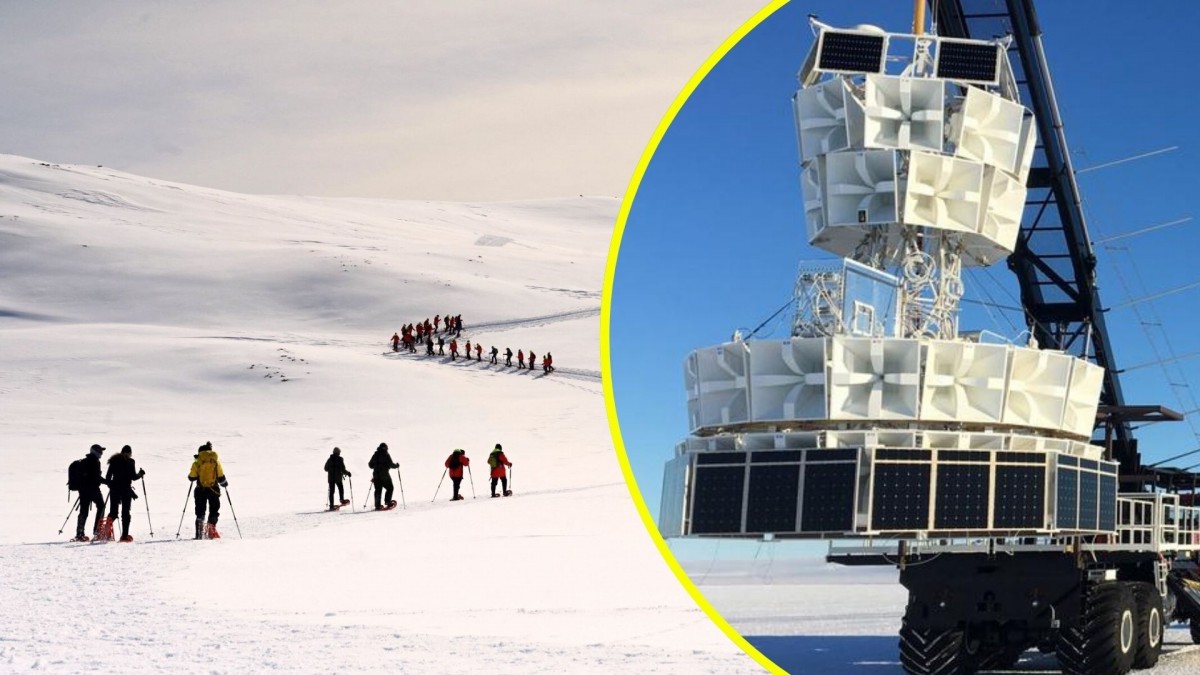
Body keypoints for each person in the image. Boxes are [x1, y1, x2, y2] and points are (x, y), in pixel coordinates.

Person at [105, 445, 146, 542]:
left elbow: (108, 477)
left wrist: (111, 485)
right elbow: (133, 477)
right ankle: (124, 536)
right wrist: (140, 474)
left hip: (114, 489)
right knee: (125, 513)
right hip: (125, 490)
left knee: (113, 512)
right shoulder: (130, 461)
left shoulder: (113, 461)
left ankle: (106, 530)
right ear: (128, 453)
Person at [188, 441, 228, 539]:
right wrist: (224, 484)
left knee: (200, 511)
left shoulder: (197, 462)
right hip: (213, 490)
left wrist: (193, 476)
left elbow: (192, 477)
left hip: (200, 490)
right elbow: (221, 476)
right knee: (214, 509)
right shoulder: (215, 462)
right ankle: (211, 531)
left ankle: (199, 534)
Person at [73, 444, 108, 541]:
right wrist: (108, 482)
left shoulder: (85, 461)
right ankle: (97, 531)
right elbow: (96, 477)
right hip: (93, 489)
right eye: (100, 451)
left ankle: (79, 533)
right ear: (95, 451)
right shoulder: (95, 462)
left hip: (83, 489)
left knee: (84, 511)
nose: (101, 453)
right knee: (101, 506)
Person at [368, 442, 398, 510]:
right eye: (387, 448)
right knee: (390, 488)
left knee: (378, 490)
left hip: (376, 475)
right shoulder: (386, 454)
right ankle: (387, 501)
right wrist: (396, 465)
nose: (387, 449)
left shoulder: (375, 454)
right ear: (384, 448)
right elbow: (391, 464)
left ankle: (377, 505)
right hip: (384, 475)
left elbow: (370, 465)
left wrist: (375, 466)